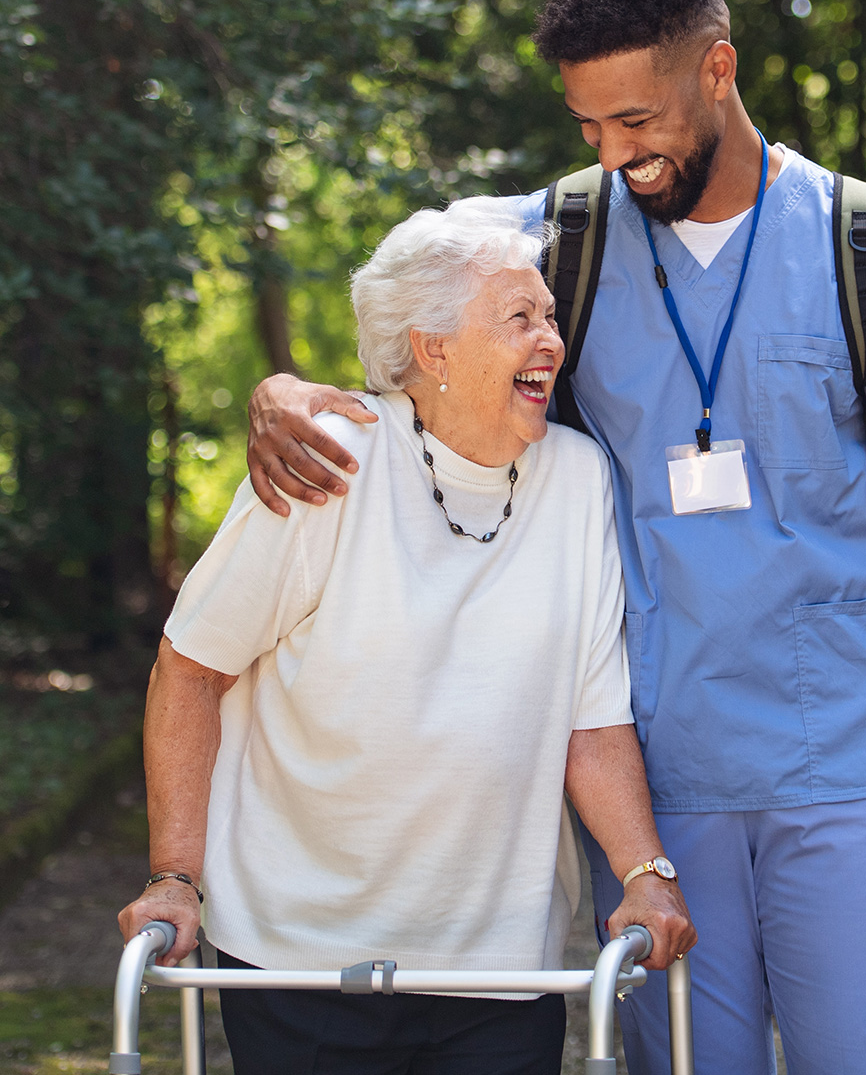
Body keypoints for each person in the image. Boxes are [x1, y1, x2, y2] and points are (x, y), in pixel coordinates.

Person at [244, 0, 866, 1075]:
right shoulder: (557, 239)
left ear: (718, 67)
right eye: (589, 128)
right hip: (656, 779)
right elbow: (409, 324)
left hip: (848, 771)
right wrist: (281, 387)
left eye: (638, 123)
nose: (616, 155)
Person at [118, 197, 695, 1075]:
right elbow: (190, 667)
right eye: (518, 318)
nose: (550, 340)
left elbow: (591, 720)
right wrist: (174, 875)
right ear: (431, 348)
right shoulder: (330, 458)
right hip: (299, 956)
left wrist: (643, 870)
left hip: (502, 963)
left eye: (548, 316)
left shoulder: (577, 481)